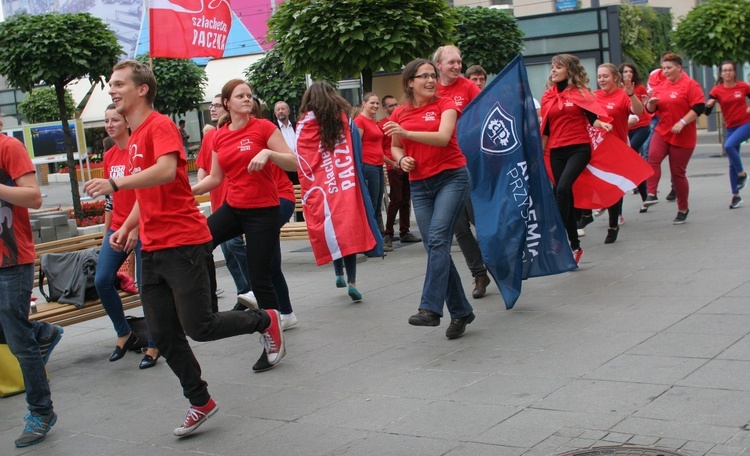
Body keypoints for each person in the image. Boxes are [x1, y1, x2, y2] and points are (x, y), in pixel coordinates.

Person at [83, 60, 285, 437]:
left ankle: (265, 319)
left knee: (200, 327)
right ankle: (200, 401)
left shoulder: (159, 126)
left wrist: (115, 185)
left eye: (117, 83)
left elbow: (163, 171)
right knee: (163, 333)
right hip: (151, 248)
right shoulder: (133, 138)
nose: (111, 90)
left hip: (184, 244)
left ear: (141, 89)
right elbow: (148, 192)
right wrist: (127, 227)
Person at [190, 79, 298, 369]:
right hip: (234, 207)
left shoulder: (263, 128)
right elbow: (214, 178)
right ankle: (207, 307)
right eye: (240, 96)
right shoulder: (219, 135)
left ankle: (272, 336)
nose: (247, 99)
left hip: (263, 211)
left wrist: (269, 153)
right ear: (227, 102)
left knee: (259, 275)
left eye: (249, 95)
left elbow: (293, 162)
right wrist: (185, 193)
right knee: (200, 239)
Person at [383, 58, 476, 339]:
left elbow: (443, 137)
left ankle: (430, 309)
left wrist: (406, 134)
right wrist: (403, 160)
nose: (430, 80)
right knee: (436, 248)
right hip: (421, 185)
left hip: (451, 178)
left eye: (432, 75)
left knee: (437, 239)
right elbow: (396, 148)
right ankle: (460, 311)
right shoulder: (399, 113)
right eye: (423, 76)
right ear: (410, 82)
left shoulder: (446, 104)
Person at [0, 130, 63, 448]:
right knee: (12, 334)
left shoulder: (9, 147)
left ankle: (41, 412)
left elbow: (34, 197)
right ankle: (43, 334)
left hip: (11, 260)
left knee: (19, 343)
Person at [95, 104, 160, 369]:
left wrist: (134, 229)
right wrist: (106, 233)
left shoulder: (137, 150)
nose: (110, 125)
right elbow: (110, 199)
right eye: (106, 120)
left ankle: (154, 343)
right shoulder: (109, 155)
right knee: (102, 280)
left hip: (142, 226)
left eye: (115, 120)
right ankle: (124, 332)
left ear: (127, 123)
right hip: (117, 229)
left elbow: (146, 192)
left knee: (147, 288)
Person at [541, 53, 613, 264]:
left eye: (558, 67)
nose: (553, 70)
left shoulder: (580, 93)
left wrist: (603, 124)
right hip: (556, 151)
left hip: (579, 149)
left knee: (562, 189)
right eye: (552, 66)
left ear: (569, 71)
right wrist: (537, 156)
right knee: (565, 196)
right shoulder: (547, 97)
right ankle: (575, 246)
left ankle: (556, 236)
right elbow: (545, 129)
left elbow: (593, 118)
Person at [433, 45, 491, 299]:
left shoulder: (468, 87)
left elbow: (488, 113)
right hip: (443, 167)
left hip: (473, 164)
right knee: (460, 227)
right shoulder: (431, 89)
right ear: (438, 65)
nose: (457, 66)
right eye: (452, 62)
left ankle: (501, 263)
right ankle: (479, 274)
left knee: (481, 221)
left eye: (459, 62)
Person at [196, 95, 256, 312]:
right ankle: (244, 294)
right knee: (229, 253)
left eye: (216, 105)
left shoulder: (237, 133)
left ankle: (253, 290)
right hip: (218, 201)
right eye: (210, 105)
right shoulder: (211, 136)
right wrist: (201, 185)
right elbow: (203, 167)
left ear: (228, 107)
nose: (212, 109)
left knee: (234, 245)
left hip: (235, 201)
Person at [642, 52, 705, 224]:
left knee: (678, 173)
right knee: (652, 158)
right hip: (663, 130)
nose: (665, 71)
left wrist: (683, 122)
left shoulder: (690, 85)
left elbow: (699, 107)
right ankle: (652, 193)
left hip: (683, 135)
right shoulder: (661, 86)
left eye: (669, 68)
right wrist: (650, 104)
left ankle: (683, 208)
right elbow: (650, 110)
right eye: (663, 68)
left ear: (679, 68)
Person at [592, 63, 644, 244]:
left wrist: (631, 94)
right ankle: (589, 211)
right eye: (599, 77)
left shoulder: (622, 95)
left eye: (605, 76)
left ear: (615, 77)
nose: (601, 80)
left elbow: (639, 112)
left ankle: (613, 225)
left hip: (617, 148)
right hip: (597, 148)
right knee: (597, 183)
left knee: (613, 188)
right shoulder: (593, 96)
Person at [705, 61, 750, 209]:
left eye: (730, 70)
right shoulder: (717, 90)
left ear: (735, 72)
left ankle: (742, 174)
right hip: (730, 127)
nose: (727, 73)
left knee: (728, 145)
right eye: (724, 71)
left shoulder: (743, 86)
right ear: (721, 73)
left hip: (746, 124)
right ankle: (736, 196)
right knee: (732, 162)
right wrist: (709, 106)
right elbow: (706, 112)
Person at [378, 95, 421, 251]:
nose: (394, 107)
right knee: (395, 199)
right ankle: (388, 234)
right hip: (393, 165)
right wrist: (390, 162)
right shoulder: (382, 125)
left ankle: (405, 231)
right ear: (385, 108)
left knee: (406, 199)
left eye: (396, 104)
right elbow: (381, 147)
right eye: (390, 106)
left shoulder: (401, 122)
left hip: (405, 162)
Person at [619, 62, 652, 213]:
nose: (627, 74)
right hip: (626, 128)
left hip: (642, 126)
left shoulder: (639, 88)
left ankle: (645, 195)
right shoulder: (619, 90)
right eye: (625, 72)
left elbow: (643, 110)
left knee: (632, 154)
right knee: (634, 162)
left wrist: (647, 102)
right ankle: (645, 197)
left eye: (630, 72)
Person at [354, 92, 387, 236]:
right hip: (368, 166)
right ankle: (373, 239)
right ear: (364, 103)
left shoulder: (373, 121)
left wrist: (392, 161)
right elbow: (356, 145)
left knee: (378, 203)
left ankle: (379, 236)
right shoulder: (360, 121)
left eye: (377, 103)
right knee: (372, 203)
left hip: (378, 165)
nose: (375, 106)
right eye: (372, 103)